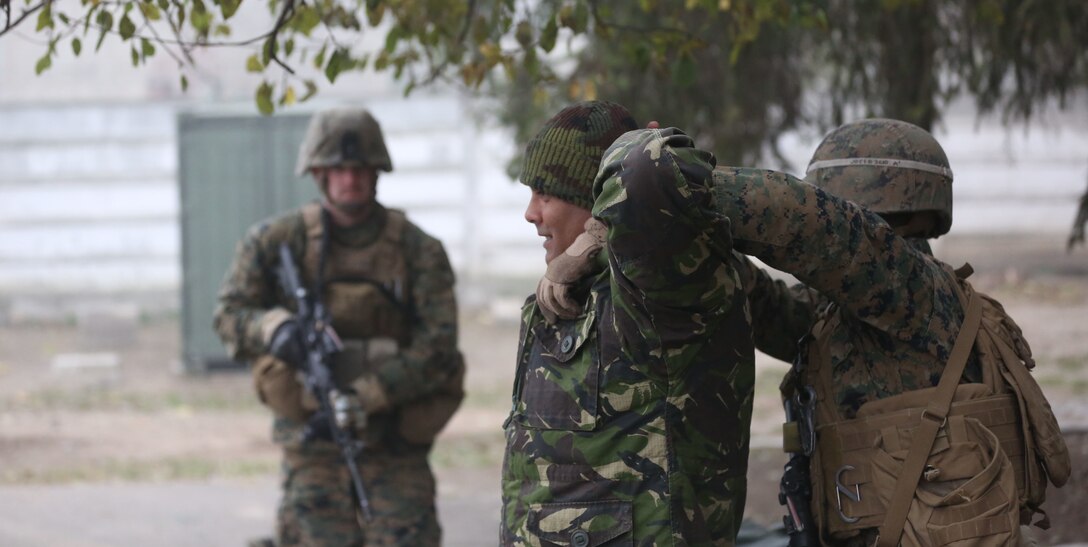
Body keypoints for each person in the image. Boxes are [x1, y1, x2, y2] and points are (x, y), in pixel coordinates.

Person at [712, 118, 1069, 546]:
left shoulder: (910, 287)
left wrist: (684, 182)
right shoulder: (857, 304)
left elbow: (808, 226)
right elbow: (772, 311)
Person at [501, 101, 755, 545]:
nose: (530, 213)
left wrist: (596, 238)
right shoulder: (562, 298)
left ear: (595, 199)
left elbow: (650, 167)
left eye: (545, 193)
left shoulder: (655, 294)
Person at [213, 107, 465, 547]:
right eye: (338, 168)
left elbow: (439, 347)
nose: (350, 178)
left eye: (360, 168)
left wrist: (367, 395)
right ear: (317, 172)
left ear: (377, 171)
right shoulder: (275, 242)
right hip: (313, 443)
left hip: (394, 442)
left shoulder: (418, 250)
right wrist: (275, 328)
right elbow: (230, 313)